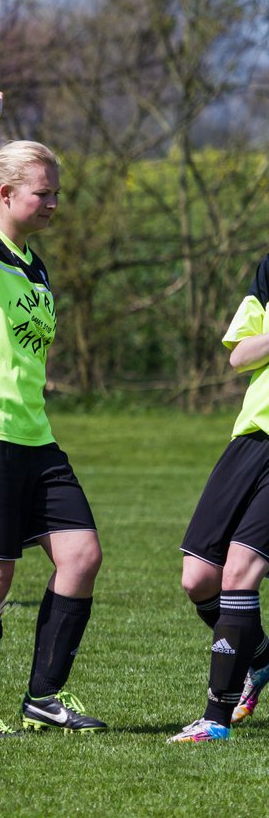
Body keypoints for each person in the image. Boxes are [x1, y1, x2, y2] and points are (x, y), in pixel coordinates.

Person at [0, 66, 106, 738]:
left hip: (33, 438)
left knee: (82, 554)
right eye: (43, 192)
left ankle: (43, 698)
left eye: (57, 191)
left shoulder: (34, 265)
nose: (54, 202)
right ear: (6, 193)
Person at [171, 255, 269, 743]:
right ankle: (262, 655)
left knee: (240, 571)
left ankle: (215, 720)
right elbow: (239, 356)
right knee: (199, 576)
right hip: (251, 437)